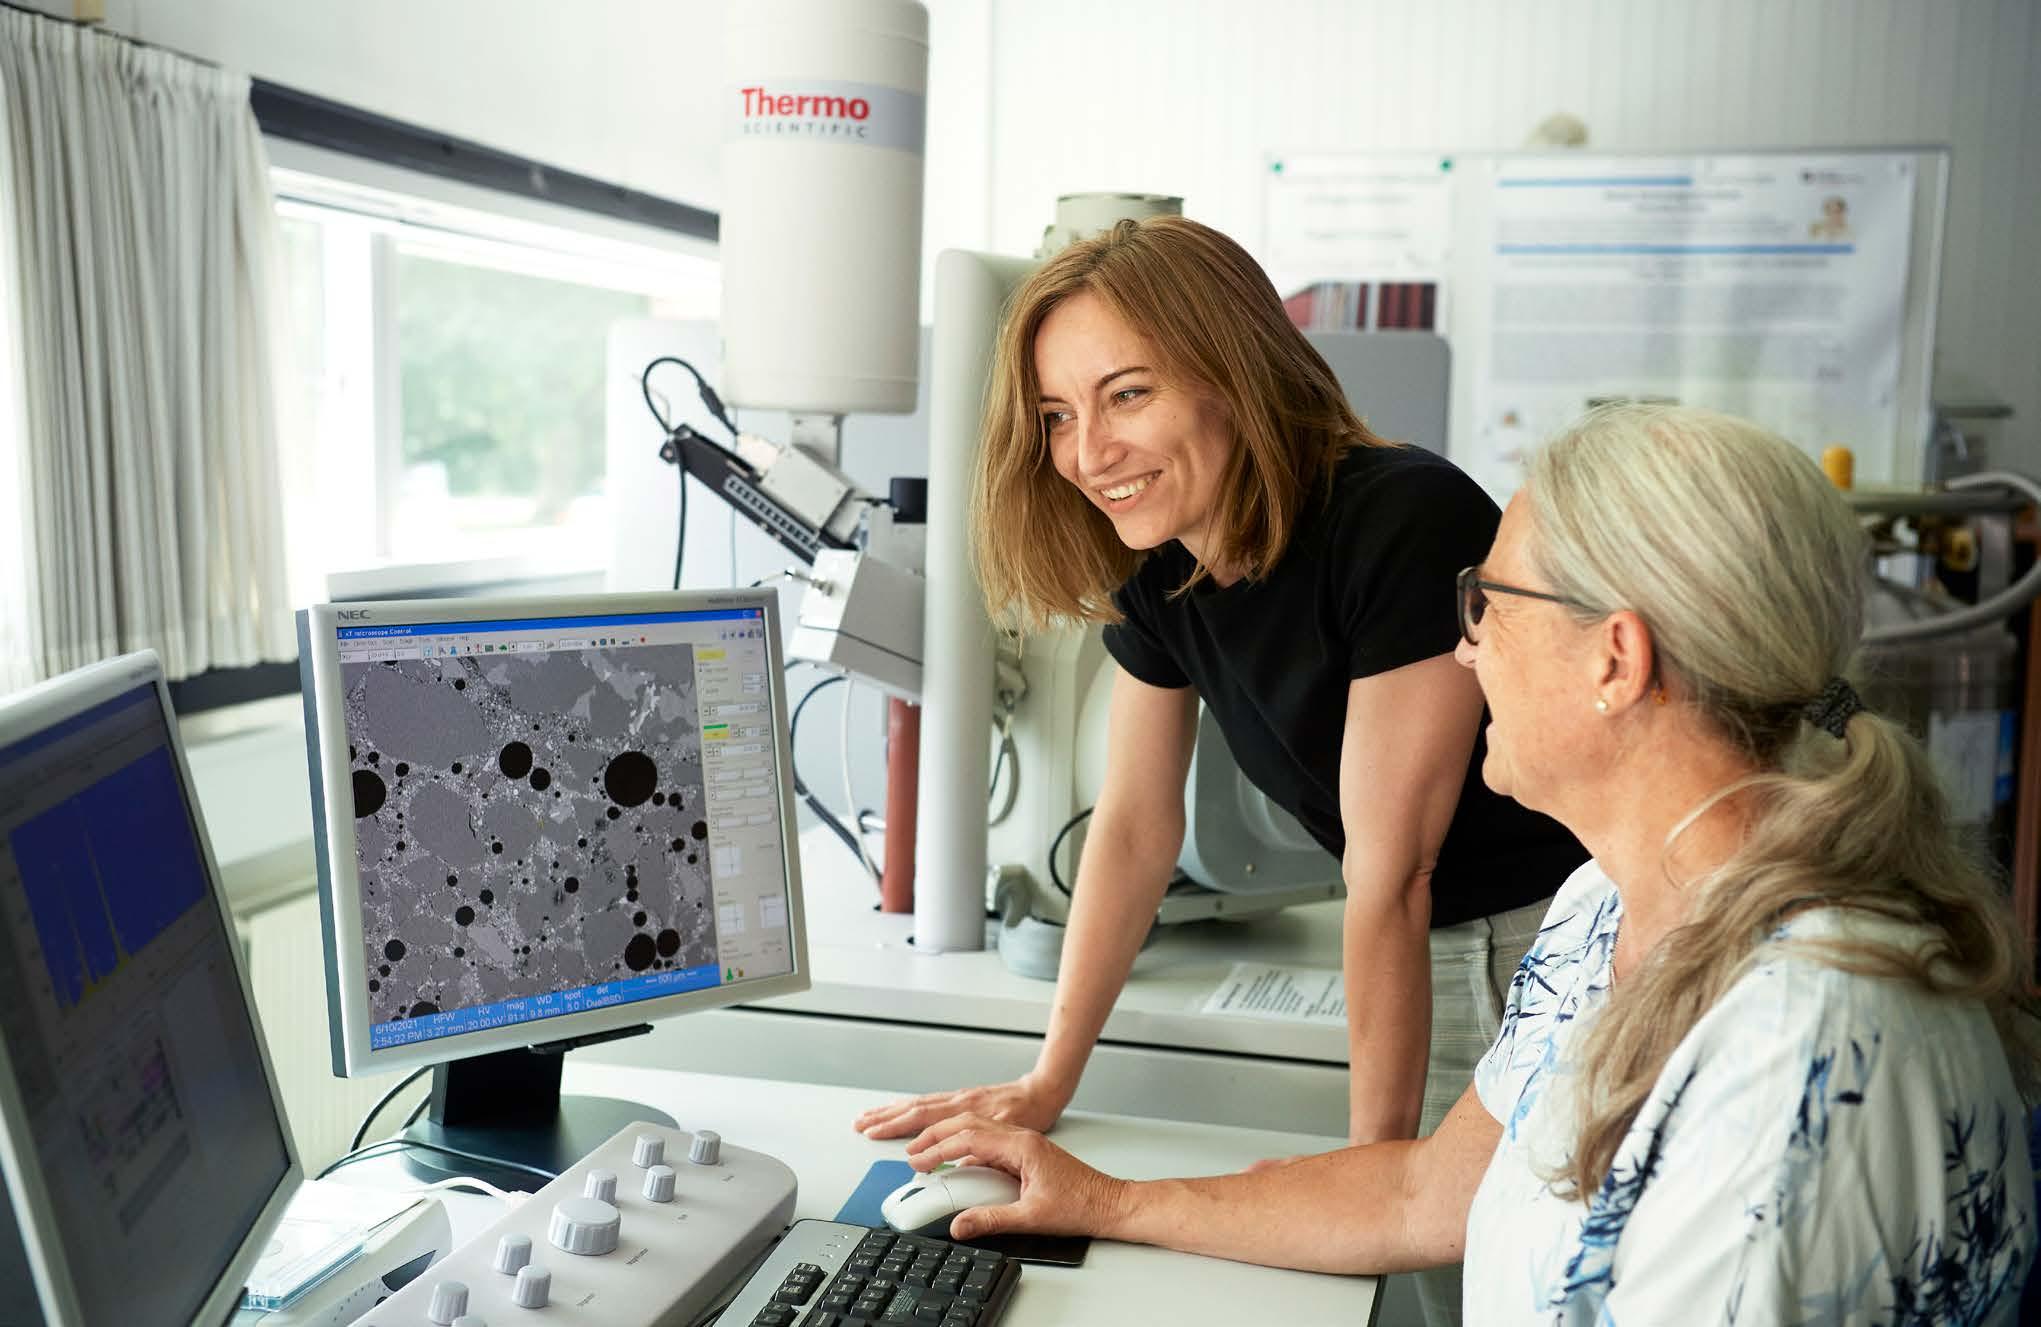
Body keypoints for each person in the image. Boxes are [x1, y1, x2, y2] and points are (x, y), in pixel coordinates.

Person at [894, 403, 2039, 1323]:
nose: (1462, 645)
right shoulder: (1604, 905)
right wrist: (1101, 1200)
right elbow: (1418, 1191)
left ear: (1615, 659)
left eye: (1488, 601)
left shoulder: (1798, 1046)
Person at [852, 216, 1587, 1325]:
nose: (1088, 452)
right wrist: (1050, 1078)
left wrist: (1367, 1178)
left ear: (1231, 375)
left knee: (1471, 1293)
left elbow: (1392, 872)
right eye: (1057, 415)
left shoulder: (1400, 517)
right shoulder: (1164, 565)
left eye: (1126, 394)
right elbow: (1133, 826)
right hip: (1420, 943)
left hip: (1526, 944)